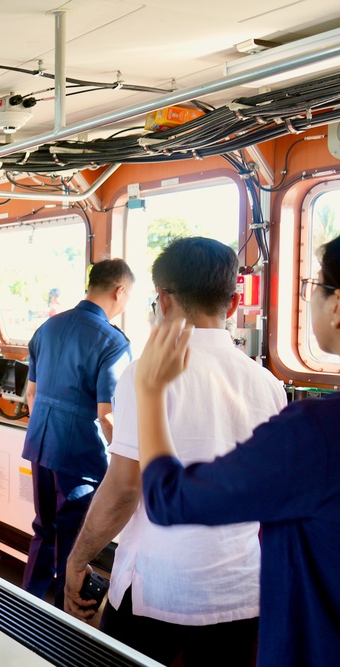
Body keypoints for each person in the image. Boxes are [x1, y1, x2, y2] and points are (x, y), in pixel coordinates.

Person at [63, 238, 286, 666]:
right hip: (240, 596)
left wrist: (79, 558)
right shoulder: (269, 386)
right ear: (234, 302)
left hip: (157, 589)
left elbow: (126, 488)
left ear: (162, 299)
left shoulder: (144, 375)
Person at [134, 235, 340, 667]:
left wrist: (150, 392)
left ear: (336, 306)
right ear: (230, 305)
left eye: (314, 287)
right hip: (243, 587)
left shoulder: (315, 432)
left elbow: (167, 498)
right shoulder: (267, 383)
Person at [21, 258, 134, 607]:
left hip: (41, 447)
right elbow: (108, 415)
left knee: (44, 530)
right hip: (79, 457)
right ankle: (63, 626)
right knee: (73, 544)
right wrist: (125, 462)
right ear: (120, 291)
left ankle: (28, 608)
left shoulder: (48, 329)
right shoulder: (113, 342)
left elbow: (31, 394)